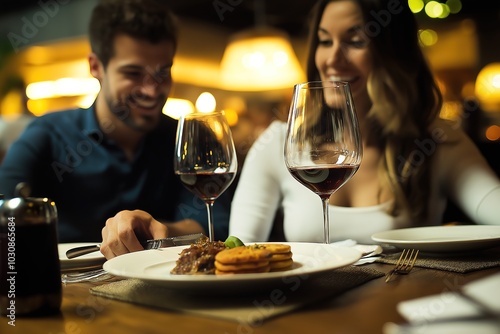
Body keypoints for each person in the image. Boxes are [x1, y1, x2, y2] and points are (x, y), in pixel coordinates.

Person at [228, 0, 500, 244]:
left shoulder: (436, 139)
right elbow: (237, 252)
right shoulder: (279, 141)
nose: (333, 59)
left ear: (393, 53)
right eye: (325, 41)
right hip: (312, 301)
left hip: (402, 299)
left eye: (355, 41)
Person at [0, 0, 230, 258]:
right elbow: (5, 217)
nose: (151, 90)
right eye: (133, 73)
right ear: (96, 67)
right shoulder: (46, 135)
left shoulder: (188, 139)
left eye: (162, 73)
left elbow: (216, 224)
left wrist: (156, 230)